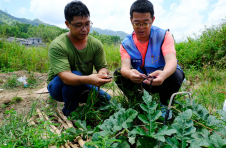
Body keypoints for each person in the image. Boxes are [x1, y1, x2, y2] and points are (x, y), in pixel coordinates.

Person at [114, 0, 185, 119]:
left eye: (146, 23)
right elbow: (125, 68)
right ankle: (137, 101)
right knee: (119, 74)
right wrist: (130, 74)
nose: (141, 28)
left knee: (175, 74)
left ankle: (165, 104)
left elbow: (172, 61)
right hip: (143, 80)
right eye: (136, 23)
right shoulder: (126, 43)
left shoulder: (163, 36)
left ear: (153, 20)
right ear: (131, 20)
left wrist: (164, 74)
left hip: (162, 80)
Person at [47, 1, 112, 116]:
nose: (84, 29)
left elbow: (102, 67)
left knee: (108, 101)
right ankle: (70, 111)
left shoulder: (96, 44)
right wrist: (89, 79)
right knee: (75, 73)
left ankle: (78, 99)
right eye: (78, 25)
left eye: (87, 24)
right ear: (67, 24)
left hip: (81, 83)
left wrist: (102, 74)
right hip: (58, 87)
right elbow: (66, 77)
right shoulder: (58, 45)